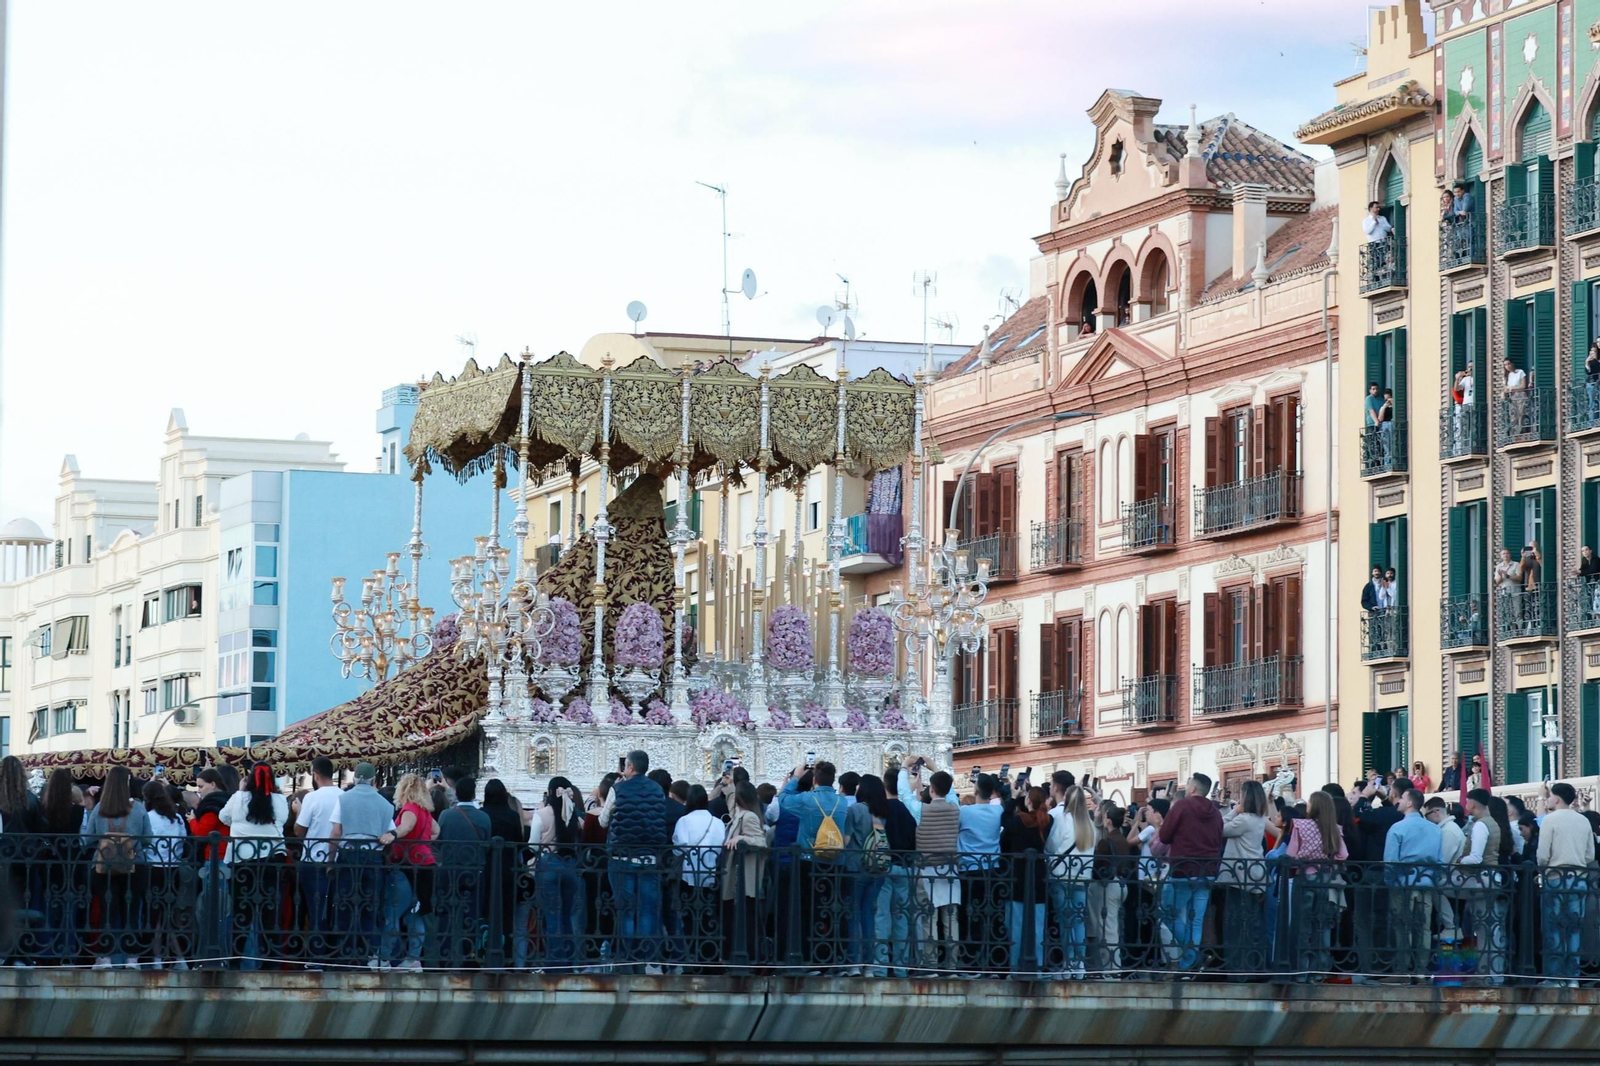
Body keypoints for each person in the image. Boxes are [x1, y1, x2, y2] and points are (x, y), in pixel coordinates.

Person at [778, 758, 849, 970]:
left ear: (815, 779)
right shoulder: (842, 802)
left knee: (808, 911)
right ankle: (832, 958)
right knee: (832, 911)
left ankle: (810, 958)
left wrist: (795, 777)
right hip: (836, 863)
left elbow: (783, 800)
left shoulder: (807, 799)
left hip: (809, 862)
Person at [602, 749, 668, 973]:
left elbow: (603, 821)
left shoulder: (617, 789)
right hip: (650, 856)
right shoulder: (658, 789)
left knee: (626, 909)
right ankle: (647, 958)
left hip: (622, 856)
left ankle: (626, 959)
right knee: (648, 909)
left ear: (629, 767)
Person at [221, 763, 289, 970]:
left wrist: (241, 793)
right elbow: (284, 820)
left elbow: (223, 817)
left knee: (241, 913)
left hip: (243, 861)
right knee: (270, 912)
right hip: (272, 860)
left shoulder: (239, 797)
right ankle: (270, 961)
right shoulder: (279, 800)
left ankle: (235, 960)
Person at [898, 759, 961, 973]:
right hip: (951, 871)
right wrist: (935, 768)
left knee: (929, 918)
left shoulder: (920, 811)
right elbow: (950, 792)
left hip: (926, 870)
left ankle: (931, 963)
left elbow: (904, 794)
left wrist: (905, 768)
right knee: (951, 919)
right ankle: (952, 965)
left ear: (931, 790)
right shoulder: (955, 808)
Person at [331, 762, 397, 969]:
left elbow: (335, 832)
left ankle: (344, 953)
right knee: (370, 906)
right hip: (373, 858)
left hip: (348, 855)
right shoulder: (385, 804)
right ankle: (365, 953)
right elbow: (389, 833)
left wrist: (330, 860)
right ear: (373, 780)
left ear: (355, 778)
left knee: (345, 904)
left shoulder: (343, 799)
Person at [1157, 772, 1223, 973]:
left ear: (1193, 788)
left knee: (1167, 912)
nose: (1185, 788)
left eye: (1187, 784)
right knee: (1196, 920)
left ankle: (1192, 956)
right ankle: (1190, 964)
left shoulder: (1182, 806)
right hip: (1208, 870)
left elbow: (1165, 835)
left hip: (1183, 870)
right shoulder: (1216, 811)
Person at [85, 766, 147, 969]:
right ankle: (132, 958)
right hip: (134, 865)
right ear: (128, 783)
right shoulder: (138, 808)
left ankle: (105, 957)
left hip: (104, 865)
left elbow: (89, 837)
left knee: (107, 910)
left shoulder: (100, 807)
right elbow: (147, 837)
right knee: (132, 910)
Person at [1537, 782, 1594, 984]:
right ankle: (1573, 977)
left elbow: (1543, 856)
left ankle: (1555, 977)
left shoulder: (1550, 820)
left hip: (1555, 878)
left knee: (1554, 928)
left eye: (1550, 796)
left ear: (1557, 799)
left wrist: (1544, 866)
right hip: (1579, 879)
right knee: (1574, 929)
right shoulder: (1583, 821)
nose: (1548, 799)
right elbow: (1590, 855)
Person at [1382, 788, 1442, 982]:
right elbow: (1440, 861)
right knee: (1424, 927)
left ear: (1409, 803)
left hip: (1403, 883)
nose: (1398, 800)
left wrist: (1390, 883)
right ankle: (1421, 970)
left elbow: (1390, 861)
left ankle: (1403, 970)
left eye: (1402, 797)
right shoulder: (1435, 829)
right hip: (1426, 882)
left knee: (1402, 926)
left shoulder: (1397, 828)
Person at [1286, 791, 1347, 976]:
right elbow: (1343, 855)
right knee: (1323, 927)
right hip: (1326, 881)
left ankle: (1302, 970)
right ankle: (1320, 970)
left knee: (1303, 926)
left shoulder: (1301, 825)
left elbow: (1290, 854)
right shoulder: (1334, 828)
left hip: (1305, 878)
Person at [383, 772, 438, 972]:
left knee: (393, 911)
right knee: (415, 914)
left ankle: (383, 956)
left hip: (407, 865)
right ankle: (414, 958)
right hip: (426, 864)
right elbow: (436, 831)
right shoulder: (425, 811)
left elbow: (406, 827)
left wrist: (392, 835)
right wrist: (423, 844)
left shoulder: (409, 809)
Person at [527, 777, 584, 969]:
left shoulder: (542, 813)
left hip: (548, 864)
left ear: (551, 792)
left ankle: (554, 963)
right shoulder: (573, 814)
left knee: (551, 917)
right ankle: (568, 960)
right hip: (570, 866)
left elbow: (533, 846)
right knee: (566, 916)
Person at [1218, 779, 1269, 977]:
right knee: (1253, 924)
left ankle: (1239, 970)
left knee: (1236, 925)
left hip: (1240, 877)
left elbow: (1220, 828)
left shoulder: (1244, 819)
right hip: (1255, 874)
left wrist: (1234, 811)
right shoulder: (1258, 818)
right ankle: (1255, 967)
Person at [671, 784, 725, 970]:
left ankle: (693, 959)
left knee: (689, 918)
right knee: (709, 918)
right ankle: (710, 957)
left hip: (689, 876)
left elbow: (679, 847)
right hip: (712, 875)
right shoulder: (717, 822)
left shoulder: (684, 821)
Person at [999, 785, 1051, 975]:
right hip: (1039, 878)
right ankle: (1036, 969)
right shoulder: (1048, 821)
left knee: (1016, 927)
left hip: (1017, 878)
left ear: (1028, 800)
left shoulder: (1017, 822)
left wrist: (1014, 798)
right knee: (1037, 928)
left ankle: (1015, 968)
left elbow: (1004, 824)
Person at [292, 756, 342, 948]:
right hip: (338, 858)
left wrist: (298, 811)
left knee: (315, 911)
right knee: (336, 911)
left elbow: (299, 830)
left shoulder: (313, 797)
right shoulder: (343, 795)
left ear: (316, 774)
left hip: (313, 859)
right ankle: (335, 954)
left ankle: (317, 955)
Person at [142, 779, 190, 970]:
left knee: (154, 917)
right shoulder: (177, 818)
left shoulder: (149, 817)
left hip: (154, 868)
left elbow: (145, 842)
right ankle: (179, 958)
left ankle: (156, 957)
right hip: (174, 869)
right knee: (169, 915)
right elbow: (184, 840)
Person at [843, 774, 889, 976]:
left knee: (854, 914)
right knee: (868, 914)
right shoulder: (883, 812)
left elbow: (846, 839)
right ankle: (870, 965)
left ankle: (854, 962)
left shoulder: (855, 809)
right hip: (878, 868)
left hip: (856, 866)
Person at [1459, 788, 1506, 983]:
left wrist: (1458, 862)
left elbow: (1476, 857)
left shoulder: (1480, 826)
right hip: (1491, 877)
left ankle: (1488, 974)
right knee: (1489, 927)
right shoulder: (1492, 822)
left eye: (1467, 801)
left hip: (1481, 879)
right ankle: (1492, 973)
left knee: (1485, 928)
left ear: (1472, 804)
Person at [721, 780, 767, 966]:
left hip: (745, 879)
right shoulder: (741, 814)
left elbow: (761, 842)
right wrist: (730, 787)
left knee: (746, 918)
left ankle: (749, 957)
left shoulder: (749, 817)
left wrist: (742, 838)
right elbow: (733, 807)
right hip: (737, 878)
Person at [481, 778, 525, 963]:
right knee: (507, 915)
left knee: (486, 913)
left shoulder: (482, 814)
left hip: (486, 869)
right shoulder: (512, 816)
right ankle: (507, 956)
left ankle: (483, 953)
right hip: (508, 870)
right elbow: (520, 844)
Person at [1089, 802, 1136, 973]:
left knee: (1108, 929)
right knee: (1113, 926)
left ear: (1108, 821)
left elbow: (1098, 865)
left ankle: (1111, 970)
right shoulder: (1122, 838)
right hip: (1123, 885)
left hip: (1109, 886)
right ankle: (1111, 968)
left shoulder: (1106, 842)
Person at [1452, 367, 1475, 454]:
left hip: (1474, 405)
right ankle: (1464, 447)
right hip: (1466, 405)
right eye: (1469, 367)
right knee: (1465, 426)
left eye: (1472, 367)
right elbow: (1456, 389)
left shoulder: (1477, 378)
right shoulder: (1466, 379)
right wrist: (1457, 379)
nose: (1470, 369)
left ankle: (1472, 445)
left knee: (1473, 425)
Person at [1505, 358, 1529, 436]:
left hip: (1520, 395)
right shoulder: (1507, 376)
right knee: (1513, 416)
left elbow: (1523, 385)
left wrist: (1513, 388)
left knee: (1522, 414)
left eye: (1508, 364)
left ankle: (1523, 432)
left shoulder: (1520, 372)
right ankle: (1515, 434)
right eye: (1505, 365)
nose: (1507, 366)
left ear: (1512, 363)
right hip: (1512, 397)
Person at [1586, 340, 1600, 425]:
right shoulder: (1593, 362)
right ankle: (1593, 424)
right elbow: (1588, 372)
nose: (1593, 353)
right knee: (1593, 404)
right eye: (1591, 351)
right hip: (1593, 384)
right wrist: (1587, 363)